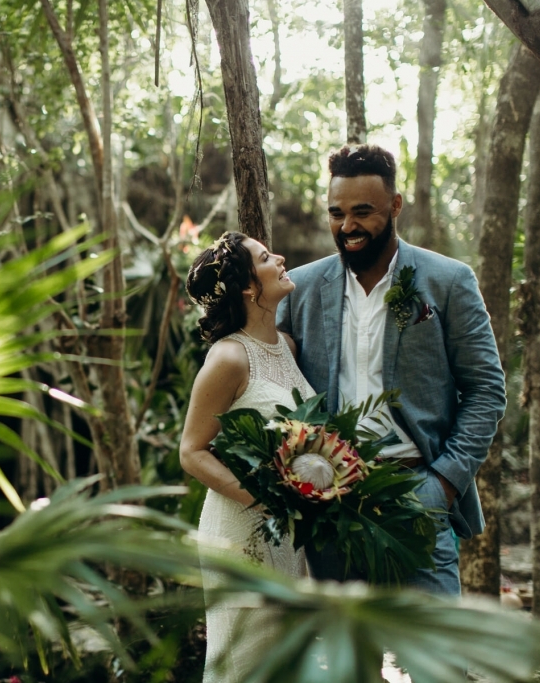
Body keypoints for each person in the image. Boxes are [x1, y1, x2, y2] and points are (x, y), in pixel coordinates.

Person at [277, 143, 506, 595]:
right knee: (349, 663)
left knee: (437, 661)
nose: (348, 227)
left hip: (417, 496)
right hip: (329, 502)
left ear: (395, 205)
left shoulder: (448, 280)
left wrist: (444, 482)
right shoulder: (300, 288)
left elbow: (486, 389)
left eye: (363, 212)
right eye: (336, 213)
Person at [179, 231, 313, 683]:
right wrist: (261, 499)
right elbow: (191, 451)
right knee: (246, 663)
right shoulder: (229, 358)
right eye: (264, 257)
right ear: (248, 288)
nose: (279, 258)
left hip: (290, 531)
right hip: (242, 528)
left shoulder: (288, 348)